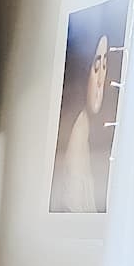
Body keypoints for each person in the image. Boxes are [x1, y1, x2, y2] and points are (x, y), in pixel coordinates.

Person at [51, 31, 111, 214]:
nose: (101, 80)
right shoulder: (75, 134)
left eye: (104, 66)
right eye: (96, 67)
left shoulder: (88, 131)